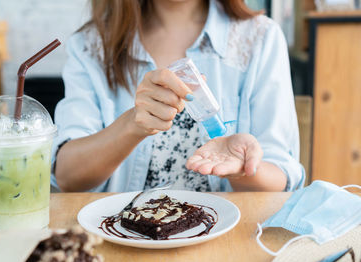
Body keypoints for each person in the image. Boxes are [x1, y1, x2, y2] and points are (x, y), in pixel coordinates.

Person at [51, 0, 305, 193]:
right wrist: (131, 125)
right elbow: (67, 176)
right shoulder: (91, 45)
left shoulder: (260, 38)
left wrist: (243, 170)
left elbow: (280, 177)